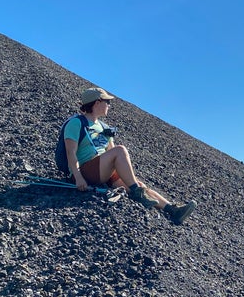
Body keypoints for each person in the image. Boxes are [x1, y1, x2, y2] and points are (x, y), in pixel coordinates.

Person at [63, 87, 196, 225]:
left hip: (102, 171)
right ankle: (137, 191)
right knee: (121, 151)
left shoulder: (104, 127)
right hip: (84, 172)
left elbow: (111, 153)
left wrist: (125, 178)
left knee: (139, 184)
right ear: (97, 102)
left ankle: (172, 209)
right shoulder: (76, 123)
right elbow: (70, 152)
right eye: (107, 102)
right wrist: (78, 178)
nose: (109, 105)